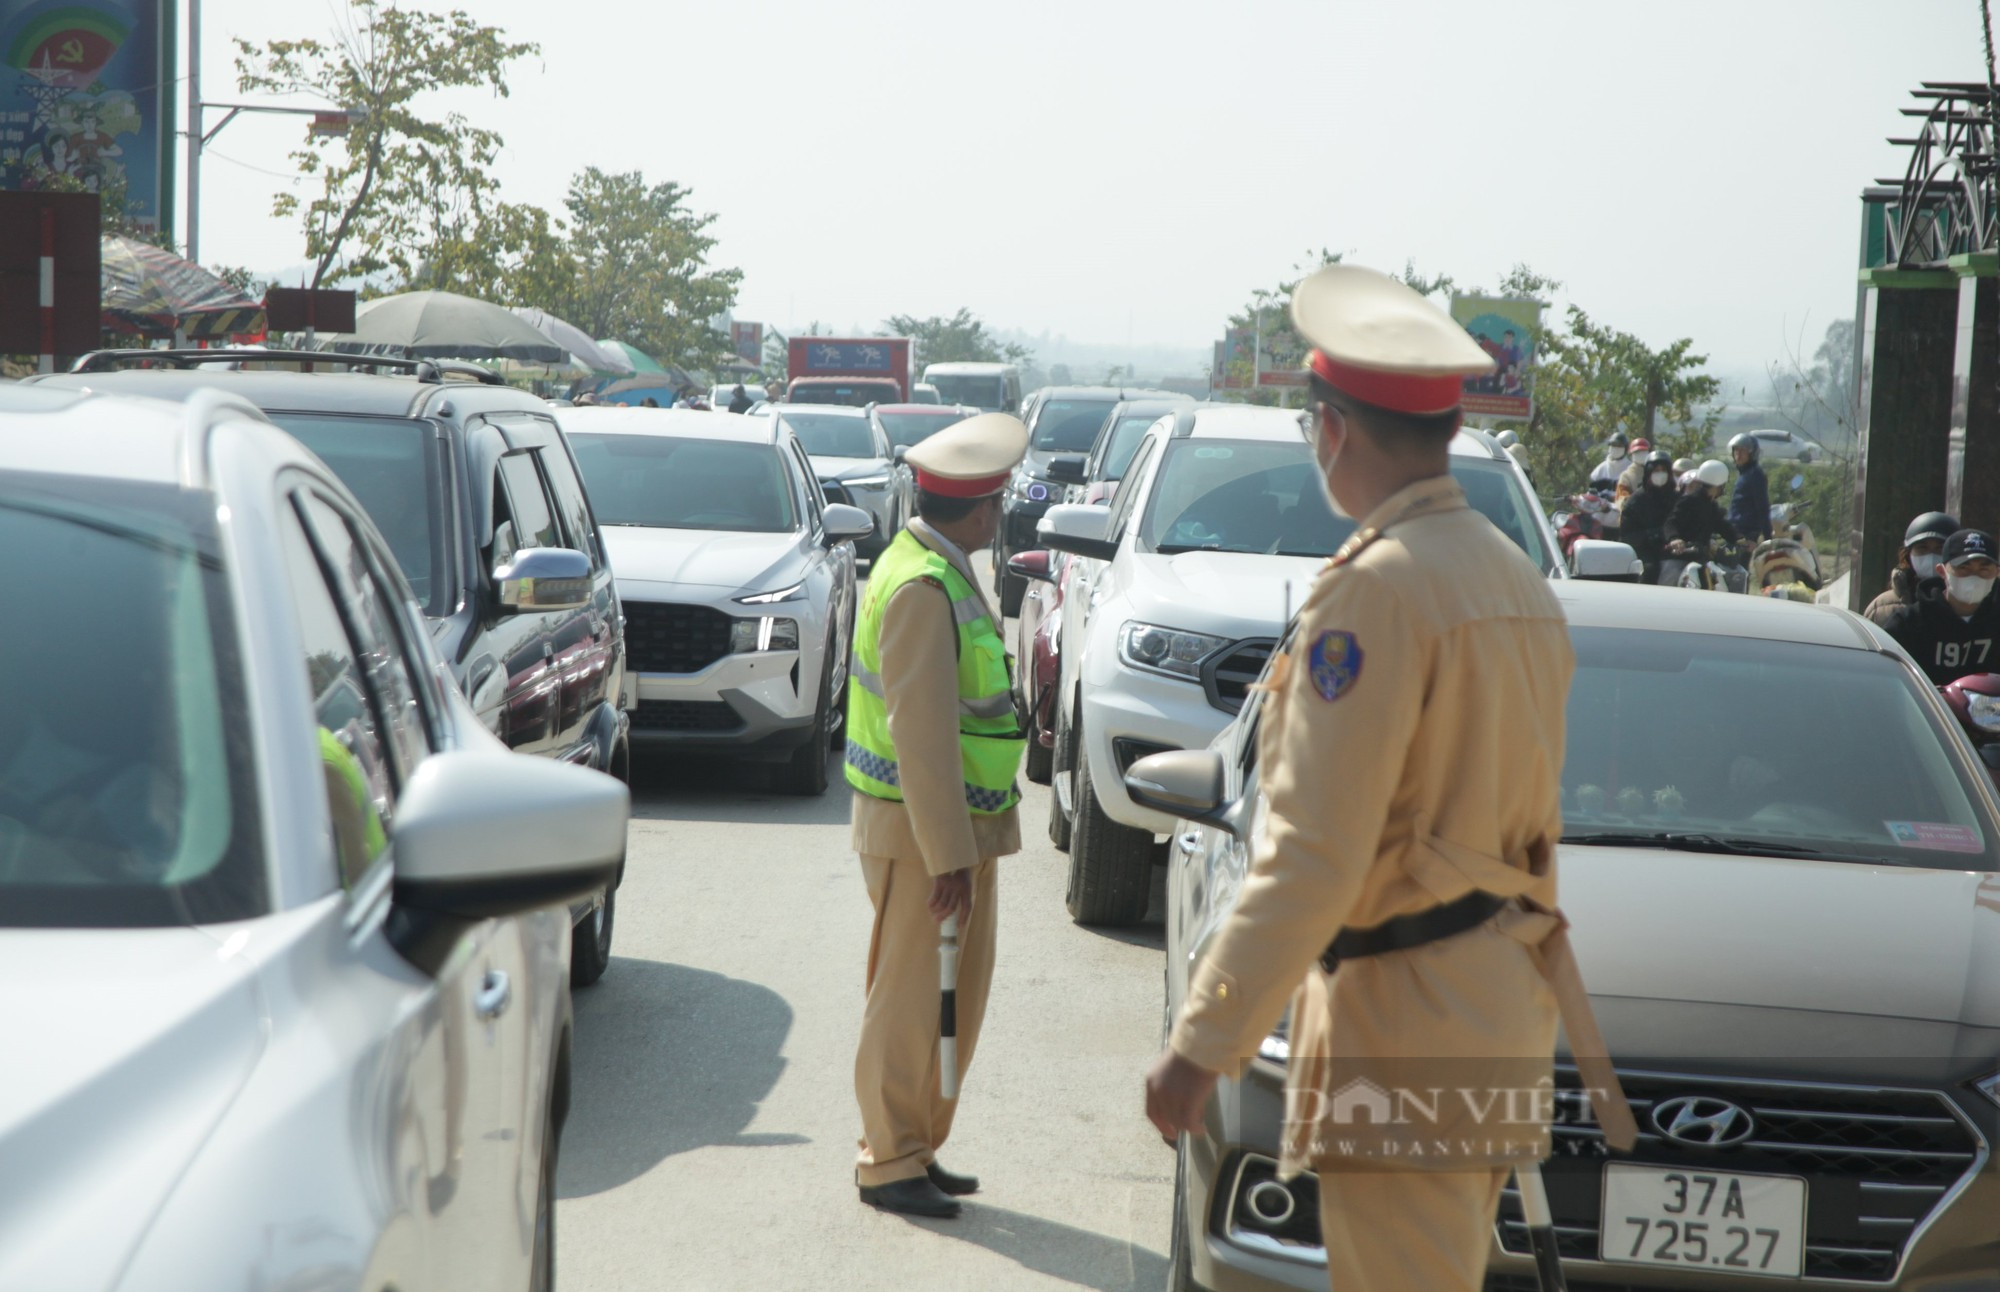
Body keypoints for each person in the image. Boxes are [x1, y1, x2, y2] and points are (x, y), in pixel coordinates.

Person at [1142, 264, 1634, 1292]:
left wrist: (1202, 1039)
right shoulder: (1513, 577)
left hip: (1406, 1023)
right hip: (1487, 1005)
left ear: (1332, 429)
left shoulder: (1375, 593)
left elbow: (1314, 851)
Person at [845, 412, 1032, 1220]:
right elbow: (921, 740)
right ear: (984, 509)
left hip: (942, 829)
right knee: (913, 1000)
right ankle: (889, 1159)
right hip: (925, 833)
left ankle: (913, 1146)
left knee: (945, 998)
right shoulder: (925, 586)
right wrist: (950, 855)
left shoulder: (934, 566)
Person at [1881, 529, 2000, 685]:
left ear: (1997, 572)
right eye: (1964, 568)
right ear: (1942, 571)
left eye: (1983, 569)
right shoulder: (1907, 624)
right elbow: (1886, 678)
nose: (1974, 576)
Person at [1864, 510, 1957, 625]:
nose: (1931, 556)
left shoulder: (1969, 605)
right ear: (1908, 555)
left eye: (1940, 548)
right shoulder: (1881, 608)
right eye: (1922, 548)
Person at [1618, 449, 1678, 583]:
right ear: (1648, 473)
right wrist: (1654, 534)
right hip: (1645, 552)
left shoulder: (1677, 498)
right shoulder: (1635, 501)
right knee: (1651, 569)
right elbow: (1627, 537)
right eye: (1656, 470)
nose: (1660, 474)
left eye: (1663, 470)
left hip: (1675, 549)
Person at [1665, 459, 1739, 557]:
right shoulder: (1689, 501)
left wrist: (1738, 538)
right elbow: (1671, 522)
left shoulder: (1711, 505)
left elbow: (1721, 525)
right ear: (1719, 484)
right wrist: (1675, 539)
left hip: (1701, 557)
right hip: (1682, 558)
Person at [1727, 432, 1772, 542]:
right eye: (1736, 450)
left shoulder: (1755, 475)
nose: (1738, 454)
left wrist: (1767, 536)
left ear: (1752, 453)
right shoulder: (1744, 474)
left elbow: (1762, 506)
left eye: (1743, 451)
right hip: (1736, 530)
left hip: (1747, 533)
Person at [1613, 436, 1652, 500]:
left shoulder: (1655, 472)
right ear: (1631, 455)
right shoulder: (1626, 476)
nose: (1641, 454)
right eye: (1637, 452)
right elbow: (1621, 498)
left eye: (1644, 451)